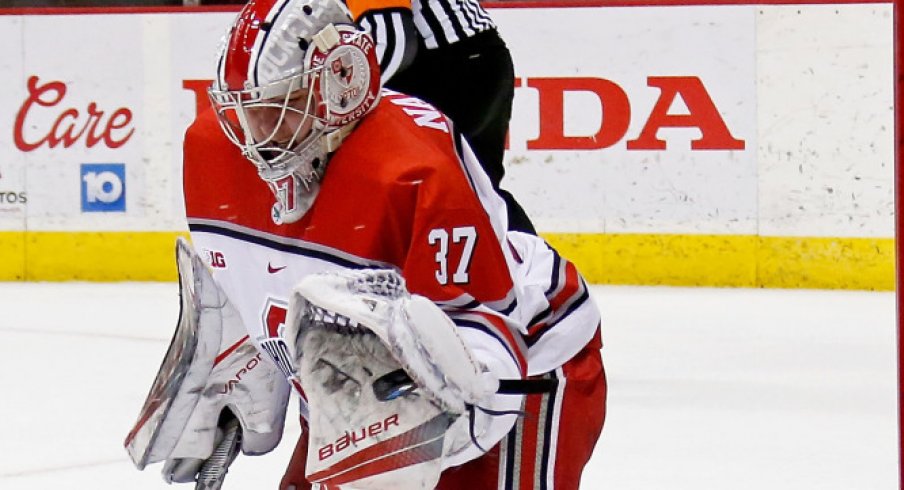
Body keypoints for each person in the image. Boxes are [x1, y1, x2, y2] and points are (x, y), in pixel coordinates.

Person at [128, 0, 605, 488]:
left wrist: (403, 444)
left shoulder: (415, 168)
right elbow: (241, 276)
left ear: (338, 86)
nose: (257, 136)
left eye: (278, 108)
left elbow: (482, 349)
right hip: (357, 387)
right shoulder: (213, 147)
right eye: (244, 111)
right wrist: (237, 370)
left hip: (523, 374)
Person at [350, 0, 536, 235]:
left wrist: (340, 105)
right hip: (457, 61)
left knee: (467, 198)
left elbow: (393, 43)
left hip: (454, 70)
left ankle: (534, 268)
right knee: (466, 196)